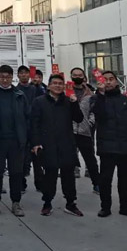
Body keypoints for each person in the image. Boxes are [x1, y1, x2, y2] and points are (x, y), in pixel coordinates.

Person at [90, 71, 127, 218]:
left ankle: (125, 207)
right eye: (105, 79)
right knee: (105, 180)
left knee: (125, 180)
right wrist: (100, 94)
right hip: (107, 147)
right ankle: (105, 207)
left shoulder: (125, 100)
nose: (108, 82)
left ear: (116, 82)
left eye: (111, 79)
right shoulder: (97, 99)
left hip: (126, 147)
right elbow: (99, 114)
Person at [31, 74, 84, 216]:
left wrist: (75, 103)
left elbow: (79, 118)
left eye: (60, 83)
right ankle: (47, 203)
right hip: (48, 144)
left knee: (69, 175)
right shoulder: (39, 101)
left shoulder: (68, 101)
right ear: (49, 86)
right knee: (50, 174)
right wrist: (36, 143)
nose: (57, 86)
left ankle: (71, 203)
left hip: (66, 143)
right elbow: (34, 124)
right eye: (54, 83)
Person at [0, 65, 30, 217]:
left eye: (8, 77)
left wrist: (26, 137)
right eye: (2, 77)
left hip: (15, 141)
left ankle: (16, 202)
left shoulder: (19, 95)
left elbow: (27, 117)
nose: (5, 80)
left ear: (12, 78)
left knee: (16, 173)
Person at [69, 68, 100, 194]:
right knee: (69, 161)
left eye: (80, 75)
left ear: (83, 76)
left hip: (84, 130)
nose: (77, 77)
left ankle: (97, 184)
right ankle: (70, 190)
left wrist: (90, 122)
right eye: (75, 75)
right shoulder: (67, 91)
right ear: (71, 76)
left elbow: (94, 110)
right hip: (69, 131)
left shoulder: (89, 93)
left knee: (90, 159)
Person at [17, 66, 41, 194]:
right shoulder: (16, 90)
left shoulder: (35, 89)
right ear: (18, 76)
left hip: (35, 126)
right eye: (21, 73)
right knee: (20, 157)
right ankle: (21, 183)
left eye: (26, 73)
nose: (24, 75)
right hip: (21, 127)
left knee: (37, 156)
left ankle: (39, 183)